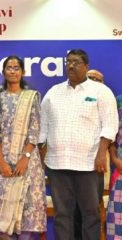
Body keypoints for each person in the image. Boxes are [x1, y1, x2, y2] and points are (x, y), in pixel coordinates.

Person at [39, 49, 118, 240]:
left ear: (86, 66)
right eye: (68, 62)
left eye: (75, 62)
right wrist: (41, 158)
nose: (71, 65)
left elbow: (110, 125)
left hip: (89, 164)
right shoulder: (53, 93)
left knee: (90, 214)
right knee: (62, 215)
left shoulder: (101, 92)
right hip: (57, 164)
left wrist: (101, 155)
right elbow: (43, 127)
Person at [0, 56, 46, 240]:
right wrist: (2, 162)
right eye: (9, 68)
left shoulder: (31, 97)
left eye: (16, 67)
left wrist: (25, 157)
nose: (12, 71)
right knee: (2, 207)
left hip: (27, 162)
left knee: (26, 206)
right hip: (1, 161)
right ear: (3, 72)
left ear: (22, 72)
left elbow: (35, 129)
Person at [74, 68, 107, 240]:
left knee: (92, 207)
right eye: (90, 78)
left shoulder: (107, 103)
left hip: (96, 165)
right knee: (74, 210)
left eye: (98, 79)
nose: (94, 81)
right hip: (74, 165)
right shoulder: (75, 101)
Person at [106, 95, 122, 238]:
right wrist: (114, 158)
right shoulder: (119, 101)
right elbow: (110, 133)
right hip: (121, 170)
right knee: (117, 222)